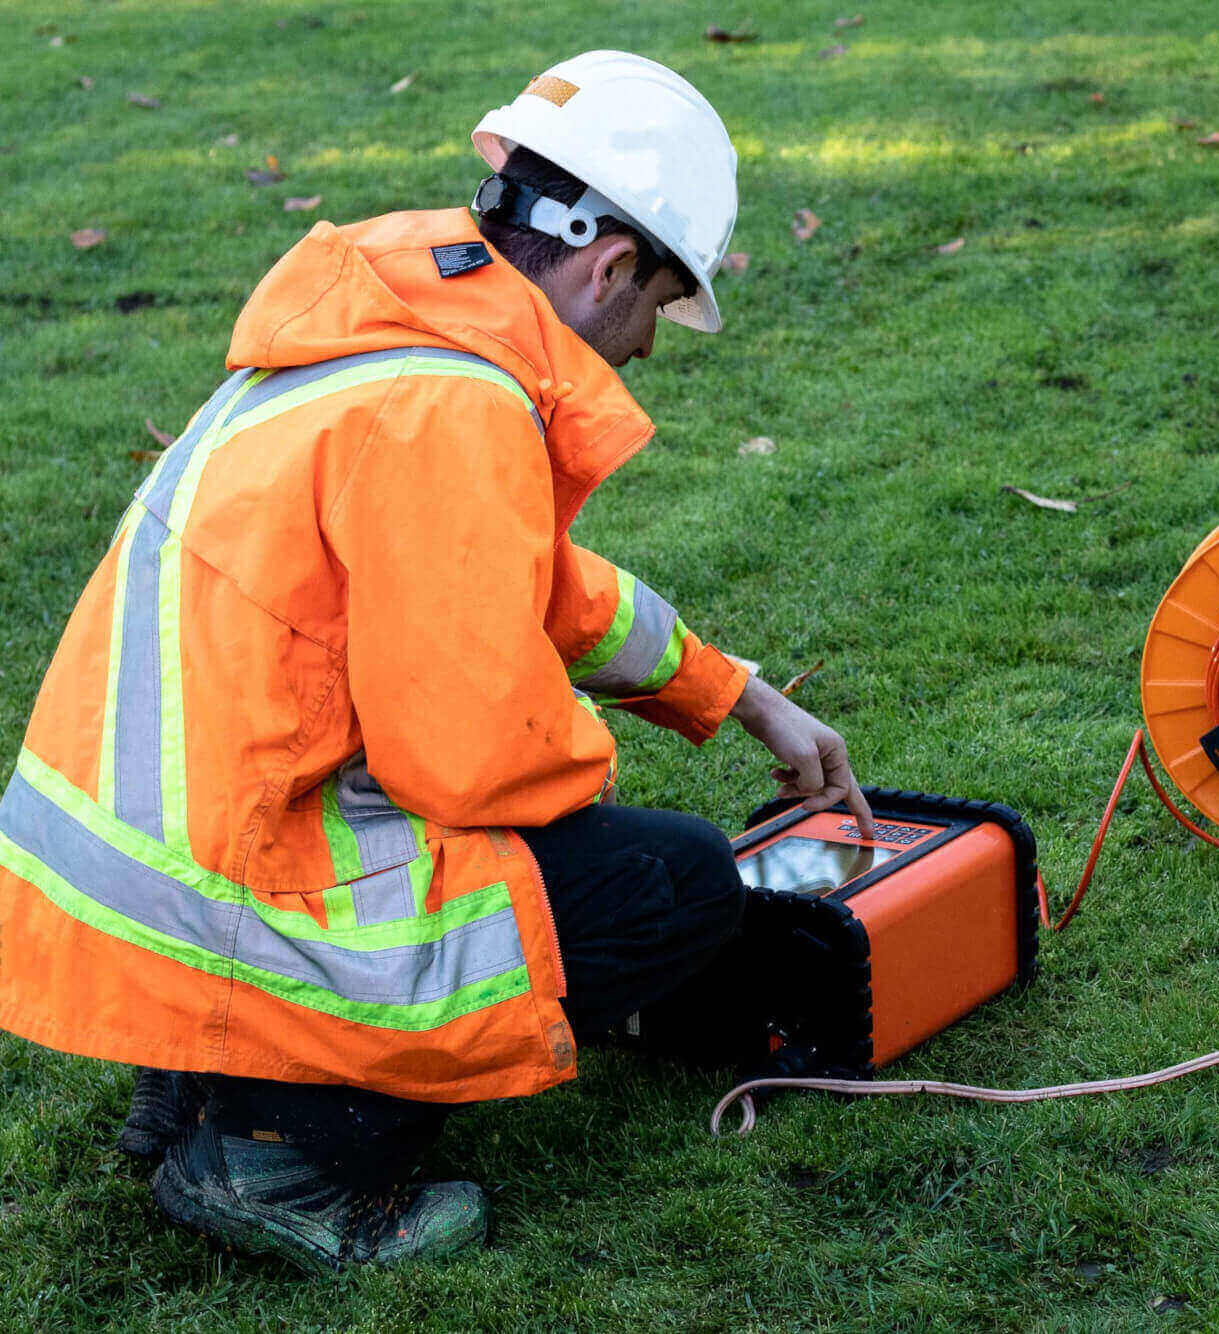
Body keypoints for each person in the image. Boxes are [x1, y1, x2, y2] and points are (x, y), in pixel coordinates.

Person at [0, 50, 871, 1272]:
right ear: (609, 263)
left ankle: (204, 1078)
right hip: (235, 877)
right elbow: (476, 760)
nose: (648, 346)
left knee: (576, 856)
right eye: (661, 305)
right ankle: (280, 1156)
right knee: (665, 882)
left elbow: (527, 581)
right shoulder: (453, 411)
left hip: (145, 876)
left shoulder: (396, 331)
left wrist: (735, 693)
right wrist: (593, 805)